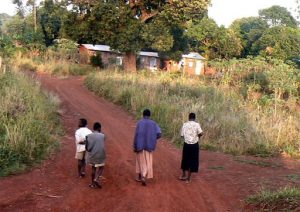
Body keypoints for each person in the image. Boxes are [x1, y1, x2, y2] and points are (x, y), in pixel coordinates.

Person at [133, 109, 161, 186]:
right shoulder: (154, 123)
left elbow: (136, 135)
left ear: (143, 115)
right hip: (149, 146)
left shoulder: (139, 123)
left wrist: (134, 145)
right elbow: (159, 134)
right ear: (149, 115)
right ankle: (144, 176)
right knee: (147, 162)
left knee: (140, 161)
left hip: (140, 145)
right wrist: (153, 138)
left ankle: (140, 176)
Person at [180, 113, 203, 183]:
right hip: (195, 145)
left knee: (185, 159)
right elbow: (201, 133)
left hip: (186, 144)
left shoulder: (185, 124)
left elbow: (181, 135)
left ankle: (183, 174)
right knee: (192, 160)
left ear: (189, 117)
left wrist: (187, 137)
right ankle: (188, 178)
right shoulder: (197, 124)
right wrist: (198, 137)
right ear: (194, 118)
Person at [86, 122, 106, 189]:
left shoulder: (89, 136)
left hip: (93, 155)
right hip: (101, 154)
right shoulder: (103, 135)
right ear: (99, 128)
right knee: (101, 167)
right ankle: (96, 179)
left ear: (93, 128)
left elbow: (88, 148)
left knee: (93, 168)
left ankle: (92, 183)